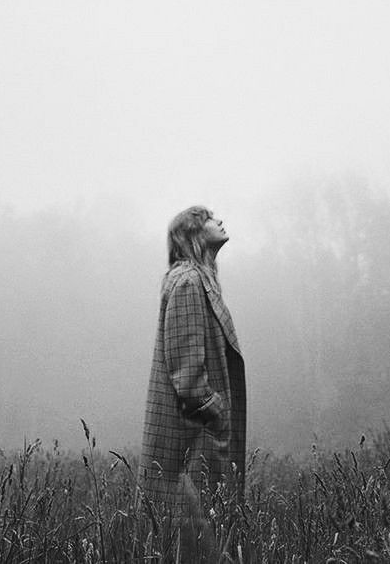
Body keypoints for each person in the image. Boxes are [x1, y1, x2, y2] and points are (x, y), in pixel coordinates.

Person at [140, 206, 246, 557]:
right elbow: (187, 377)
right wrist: (217, 410)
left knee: (200, 542)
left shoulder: (199, 279)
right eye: (211, 218)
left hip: (198, 436)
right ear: (194, 234)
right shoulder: (188, 282)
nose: (221, 219)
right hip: (191, 439)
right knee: (197, 546)